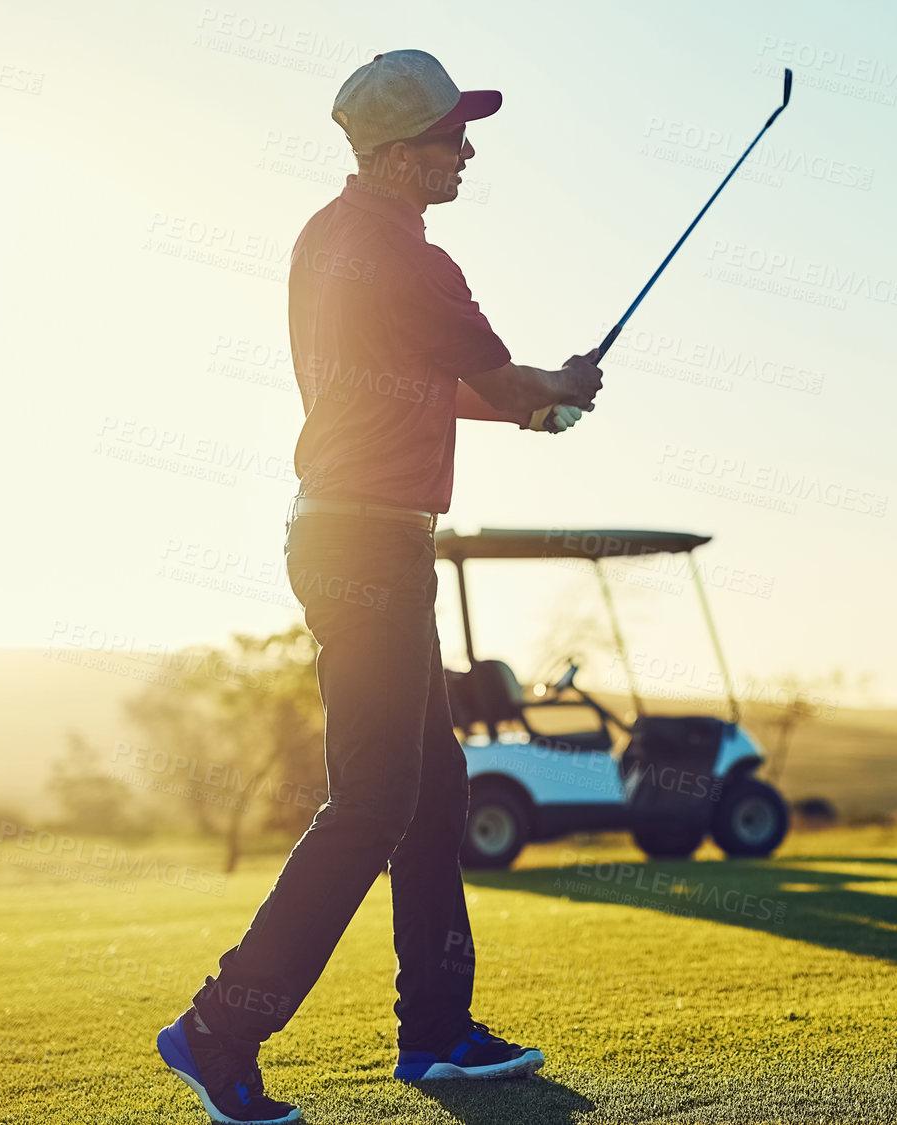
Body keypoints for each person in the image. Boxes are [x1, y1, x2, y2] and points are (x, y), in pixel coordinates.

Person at [154, 49, 604, 1125]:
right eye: (453, 135)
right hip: (367, 550)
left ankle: (438, 1030)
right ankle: (220, 1028)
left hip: (361, 543)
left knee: (435, 790)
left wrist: (530, 403)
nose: (468, 149)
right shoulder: (412, 260)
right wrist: (559, 391)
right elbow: (496, 380)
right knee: (373, 803)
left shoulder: (336, 237)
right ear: (402, 155)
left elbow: (430, 383)